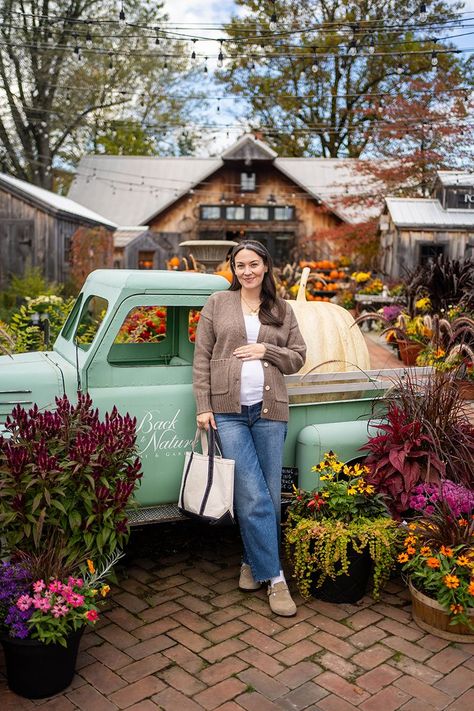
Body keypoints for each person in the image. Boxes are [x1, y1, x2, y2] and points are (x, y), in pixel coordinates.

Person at [192, 240, 306, 616]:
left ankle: (250, 562)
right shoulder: (217, 304)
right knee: (253, 494)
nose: (247, 271)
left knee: (269, 497)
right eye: (240, 265)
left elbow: (298, 357)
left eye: (253, 264)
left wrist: (265, 351)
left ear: (266, 266)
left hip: (271, 411)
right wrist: (203, 406)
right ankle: (275, 580)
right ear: (233, 269)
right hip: (228, 412)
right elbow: (202, 358)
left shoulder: (281, 308)